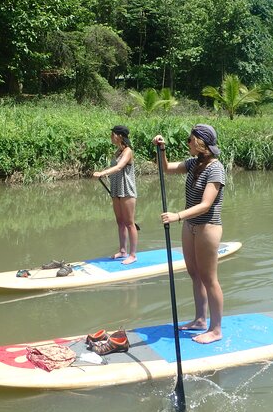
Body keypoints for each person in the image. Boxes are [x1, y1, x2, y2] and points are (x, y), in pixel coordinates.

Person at [152, 124, 225, 344]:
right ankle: (200, 320)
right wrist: (161, 150)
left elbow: (206, 204)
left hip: (207, 227)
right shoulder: (194, 163)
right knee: (194, 274)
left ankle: (216, 329)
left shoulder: (216, 168)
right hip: (190, 226)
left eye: (190, 140)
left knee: (209, 279)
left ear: (201, 143)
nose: (188, 143)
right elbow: (166, 169)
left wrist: (177, 216)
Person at [93, 125, 138, 265]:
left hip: (127, 189)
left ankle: (132, 255)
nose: (111, 137)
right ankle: (123, 251)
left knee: (130, 223)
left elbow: (119, 167)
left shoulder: (128, 151)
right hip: (116, 189)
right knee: (120, 222)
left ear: (119, 136)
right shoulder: (117, 151)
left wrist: (102, 173)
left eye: (112, 134)